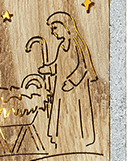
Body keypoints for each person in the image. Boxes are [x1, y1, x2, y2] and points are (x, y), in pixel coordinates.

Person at [40, 12, 98, 152]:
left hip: (75, 90)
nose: (53, 32)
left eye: (55, 28)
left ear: (65, 26)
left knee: (76, 113)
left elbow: (83, 66)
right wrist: (48, 69)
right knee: (64, 113)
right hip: (62, 89)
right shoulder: (62, 46)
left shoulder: (76, 43)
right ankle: (65, 139)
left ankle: (80, 140)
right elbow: (58, 64)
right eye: (52, 29)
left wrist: (72, 81)